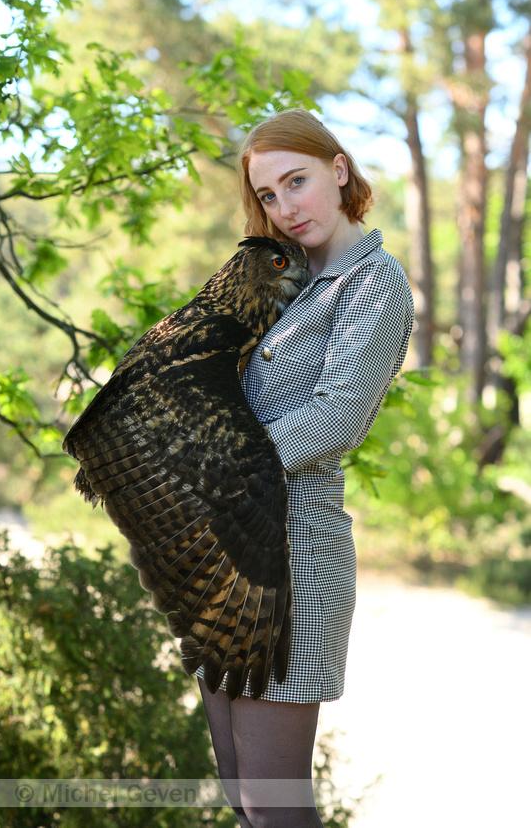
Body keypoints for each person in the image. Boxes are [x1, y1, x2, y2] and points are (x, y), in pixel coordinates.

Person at [195, 108, 415, 828]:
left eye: (297, 181)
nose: (285, 206)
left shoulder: (373, 281)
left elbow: (334, 418)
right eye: (268, 194)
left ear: (339, 170)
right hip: (226, 556)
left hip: (294, 556)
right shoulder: (280, 279)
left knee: (274, 808)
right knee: (240, 798)